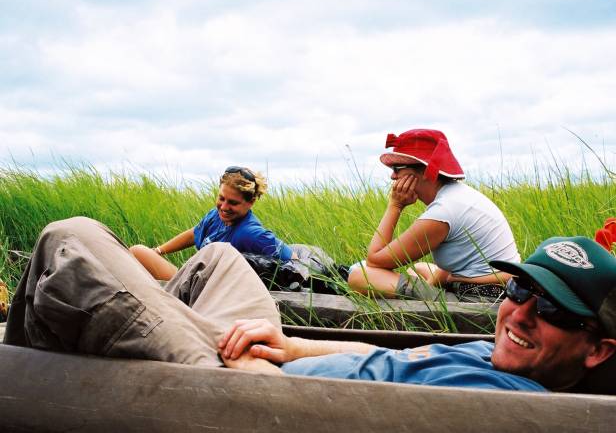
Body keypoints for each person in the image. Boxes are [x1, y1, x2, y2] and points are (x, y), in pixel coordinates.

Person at [4, 217, 615, 392]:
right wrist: (295, 344)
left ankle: (28, 367)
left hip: (245, 390)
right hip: (268, 363)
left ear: (598, 350)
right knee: (221, 261)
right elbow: (382, 354)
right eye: (517, 291)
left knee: (72, 241)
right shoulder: (499, 353)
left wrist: (260, 369)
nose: (521, 315)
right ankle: (127, 325)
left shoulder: (513, 402)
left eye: (554, 311)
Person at [347, 129, 520, 301]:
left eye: (397, 168)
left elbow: (374, 260)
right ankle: (429, 290)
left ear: (424, 172)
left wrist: (395, 205)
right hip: (500, 288)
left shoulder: (443, 212)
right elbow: (454, 264)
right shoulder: (457, 196)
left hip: (480, 300)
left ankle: (430, 296)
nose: (393, 176)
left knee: (359, 276)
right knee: (418, 268)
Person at [130, 166, 295, 280]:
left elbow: (292, 259)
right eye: (221, 198)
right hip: (194, 278)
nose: (224, 207)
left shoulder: (251, 233)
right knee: (138, 255)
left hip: (204, 293)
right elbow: (194, 233)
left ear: (250, 202)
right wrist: (158, 251)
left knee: (137, 252)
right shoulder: (216, 216)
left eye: (233, 203)